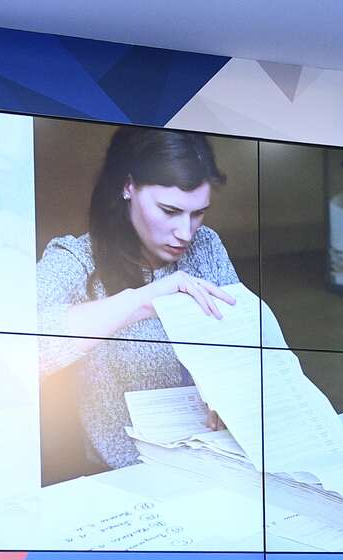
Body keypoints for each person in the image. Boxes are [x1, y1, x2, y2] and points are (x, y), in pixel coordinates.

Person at [36, 128, 242, 472]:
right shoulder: (76, 259)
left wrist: (233, 391)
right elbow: (21, 343)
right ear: (128, 186)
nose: (186, 233)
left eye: (198, 213)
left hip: (213, 459)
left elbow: (239, 343)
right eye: (169, 210)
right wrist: (144, 301)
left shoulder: (206, 246)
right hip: (122, 472)